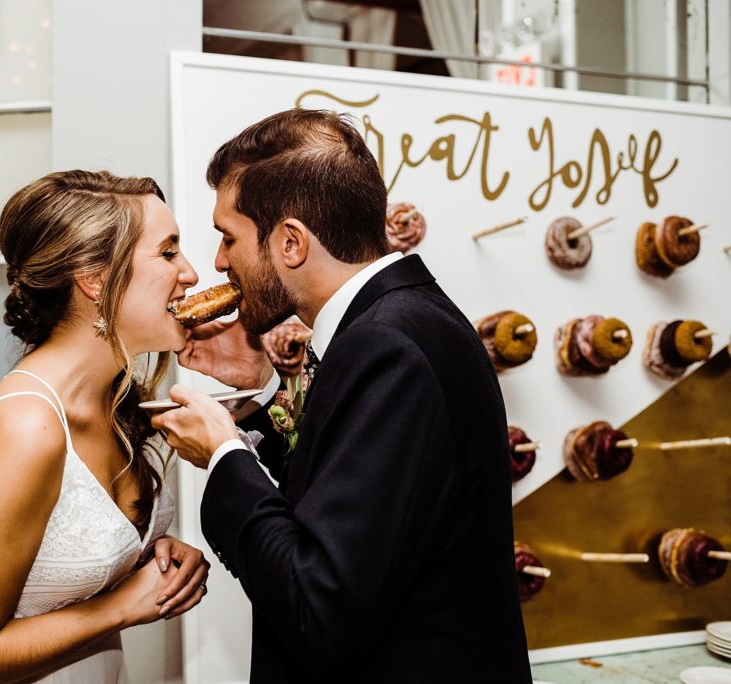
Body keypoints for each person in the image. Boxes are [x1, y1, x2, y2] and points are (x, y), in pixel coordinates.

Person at [151, 109, 533, 682]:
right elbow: (364, 489)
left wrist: (226, 457)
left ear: (290, 242)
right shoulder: (405, 317)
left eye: (228, 237)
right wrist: (261, 395)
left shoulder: (384, 345)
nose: (219, 262)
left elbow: (319, 604)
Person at [0, 170, 210, 684]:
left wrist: (151, 557)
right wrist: (122, 606)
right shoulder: (27, 427)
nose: (190, 273)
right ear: (94, 278)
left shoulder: (116, 399)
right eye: (168, 253)